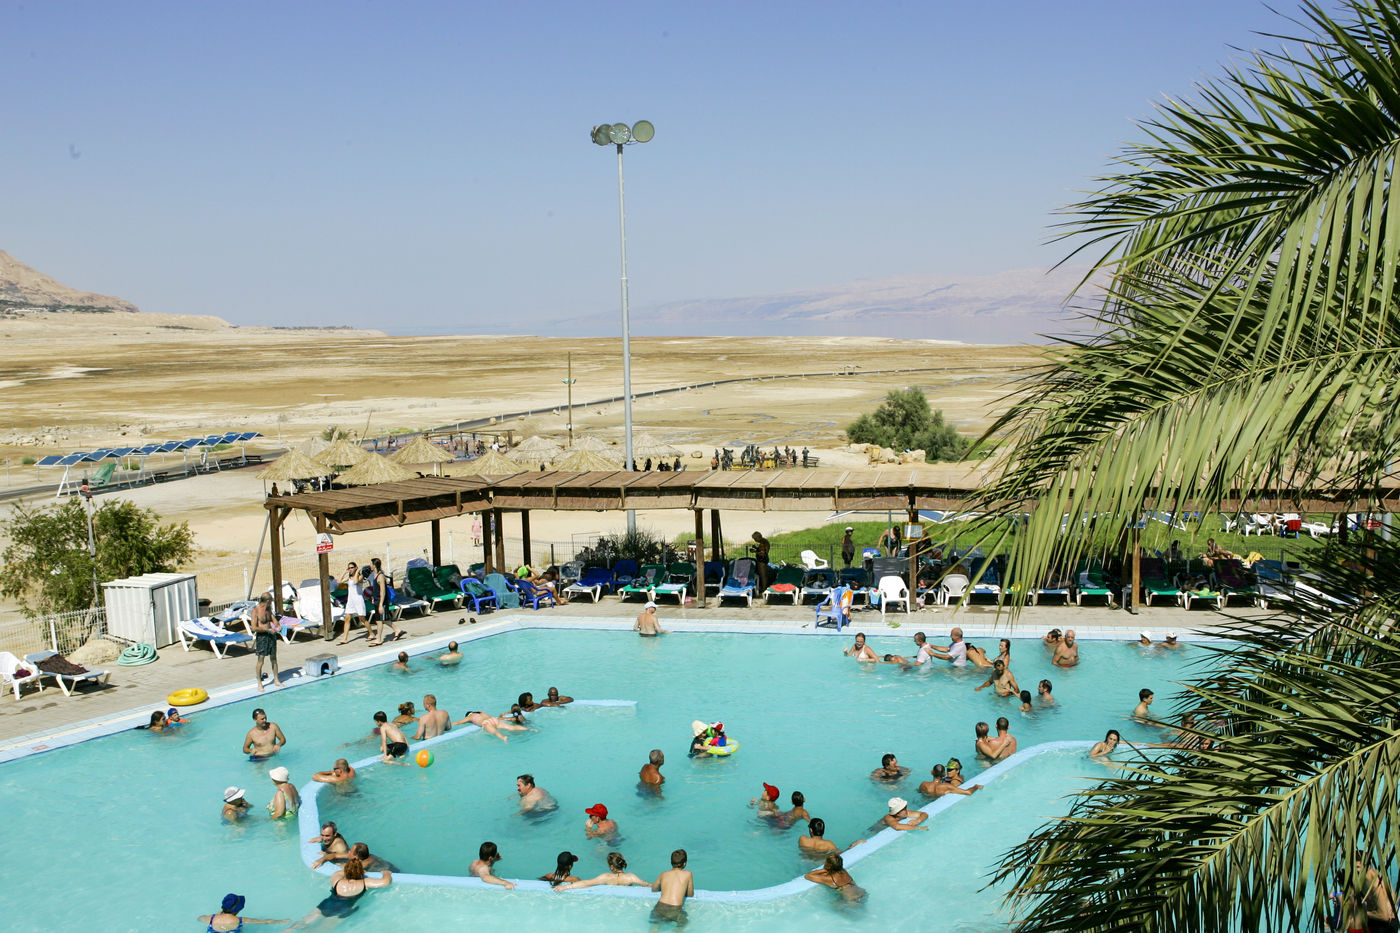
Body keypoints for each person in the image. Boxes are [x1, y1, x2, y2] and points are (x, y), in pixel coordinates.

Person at [285, 856, 391, 929]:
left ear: (346, 871)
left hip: (327, 904)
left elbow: (342, 872)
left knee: (304, 922)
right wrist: (386, 873)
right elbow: (386, 882)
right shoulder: (364, 882)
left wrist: (348, 867)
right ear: (361, 872)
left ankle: (289, 930)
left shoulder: (337, 879)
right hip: (342, 910)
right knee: (320, 930)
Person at [555, 851, 649, 890]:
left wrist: (565, 887)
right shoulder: (630, 877)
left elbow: (586, 883)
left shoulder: (606, 877)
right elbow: (646, 884)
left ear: (611, 867)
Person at [650, 848, 695, 925]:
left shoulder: (663, 874)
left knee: (654, 926)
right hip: (675, 909)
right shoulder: (688, 874)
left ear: (671, 862)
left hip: (660, 906)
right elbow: (690, 894)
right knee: (682, 924)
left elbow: (654, 889)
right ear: (684, 864)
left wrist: (664, 887)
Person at [198, 893, 284, 930]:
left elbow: (199, 918)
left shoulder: (210, 918)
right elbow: (265, 922)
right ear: (238, 910)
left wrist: (218, 914)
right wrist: (282, 921)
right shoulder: (239, 920)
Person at [249, 593, 281, 693]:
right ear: (267, 601)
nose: (271, 603)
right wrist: (267, 630)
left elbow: (274, 620)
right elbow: (254, 627)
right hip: (262, 637)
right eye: (271, 601)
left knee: (274, 658)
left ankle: (276, 679)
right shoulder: (255, 611)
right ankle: (259, 683)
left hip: (271, 636)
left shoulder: (268, 609)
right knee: (261, 660)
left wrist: (278, 626)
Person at [333, 562, 366, 645]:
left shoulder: (360, 576)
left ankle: (371, 633)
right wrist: (345, 572)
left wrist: (357, 571)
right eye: (349, 568)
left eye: (352, 567)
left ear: (356, 567)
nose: (350, 569)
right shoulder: (349, 577)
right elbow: (339, 582)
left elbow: (356, 581)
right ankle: (345, 638)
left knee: (362, 619)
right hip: (350, 601)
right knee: (347, 619)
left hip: (358, 600)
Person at [454, 709, 526, 741]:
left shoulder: (470, 716)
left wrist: (450, 724)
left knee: (495, 732)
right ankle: (528, 729)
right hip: (493, 719)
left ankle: (503, 738)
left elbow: (458, 722)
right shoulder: (480, 712)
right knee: (511, 727)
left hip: (486, 723)